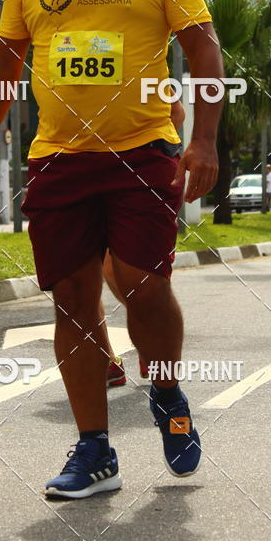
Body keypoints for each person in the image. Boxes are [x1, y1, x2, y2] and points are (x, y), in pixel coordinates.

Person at [0, 0, 224, 499]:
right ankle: (95, 450)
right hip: (59, 157)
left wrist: (206, 140)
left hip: (143, 149)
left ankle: (165, 389)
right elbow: (5, 62)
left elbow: (201, 44)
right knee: (73, 301)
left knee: (143, 286)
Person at [104, 98, 186, 387]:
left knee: (133, 276)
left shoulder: (137, 61)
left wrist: (147, 150)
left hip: (139, 178)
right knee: (80, 277)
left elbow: (176, 111)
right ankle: (108, 359)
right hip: (77, 173)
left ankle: (147, 336)